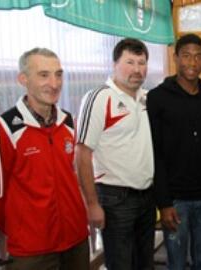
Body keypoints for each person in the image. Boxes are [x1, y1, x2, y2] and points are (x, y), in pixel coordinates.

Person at [0, 48, 89, 270]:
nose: (54, 83)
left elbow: (73, 175)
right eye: (44, 75)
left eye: (58, 74)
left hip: (76, 239)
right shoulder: (2, 129)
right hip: (32, 250)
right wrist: (23, 228)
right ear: (23, 79)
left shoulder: (68, 122)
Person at [147, 33, 201, 270]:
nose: (192, 62)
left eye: (197, 57)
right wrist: (163, 202)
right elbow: (156, 153)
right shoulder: (157, 98)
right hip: (175, 200)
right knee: (176, 263)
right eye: (186, 56)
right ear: (175, 59)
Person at [76, 38, 155, 270]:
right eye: (130, 62)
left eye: (142, 63)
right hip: (115, 199)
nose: (137, 69)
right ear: (114, 64)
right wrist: (92, 204)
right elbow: (81, 154)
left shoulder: (147, 98)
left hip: (147, 198)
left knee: (144, 264)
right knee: (120, 264)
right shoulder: (99, 97)